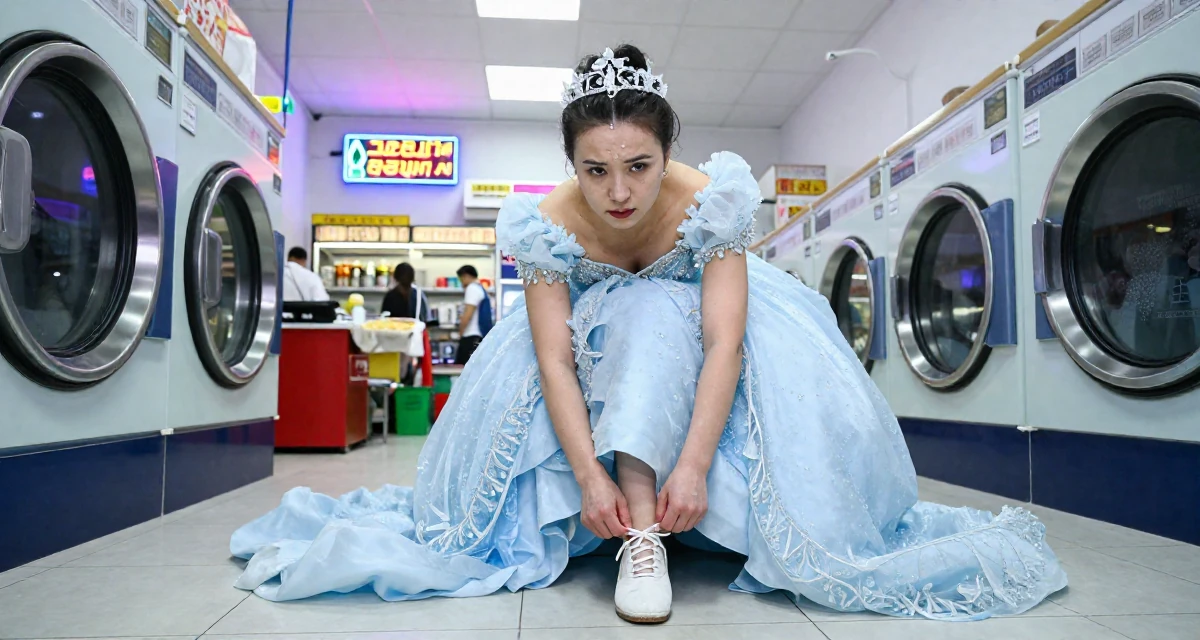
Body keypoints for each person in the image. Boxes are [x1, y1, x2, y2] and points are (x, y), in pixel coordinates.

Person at [230, 44, 1066, 623]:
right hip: (595, 354)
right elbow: (554, 358)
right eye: (595, 169)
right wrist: (590, 476)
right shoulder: (546, 227)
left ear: (670, 155)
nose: (619, 193)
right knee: (624, 317)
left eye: (639, 167)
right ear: (571, 164)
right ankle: (635, 532)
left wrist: (696, 465)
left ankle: (663, 528)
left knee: (658, 312)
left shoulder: (714, 204)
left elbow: (727, 342)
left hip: (699, 335)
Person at [380, 262, 430, 386]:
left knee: (393, 379)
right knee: (412, 380)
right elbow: (425, 319)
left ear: (395, 277)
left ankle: (393, 403)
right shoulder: (418, 295)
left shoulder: (390, 296)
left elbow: (384, 320)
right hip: (414, 343)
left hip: (392, 344)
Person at [453, 264, 492, 365]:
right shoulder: (480, 289)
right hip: (478, 337)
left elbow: (467, 315)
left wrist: (460, 334)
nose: (462, 283)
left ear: (466, 276)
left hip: (470, 337)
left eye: (461, 279)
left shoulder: (472, 288)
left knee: (460, 371)